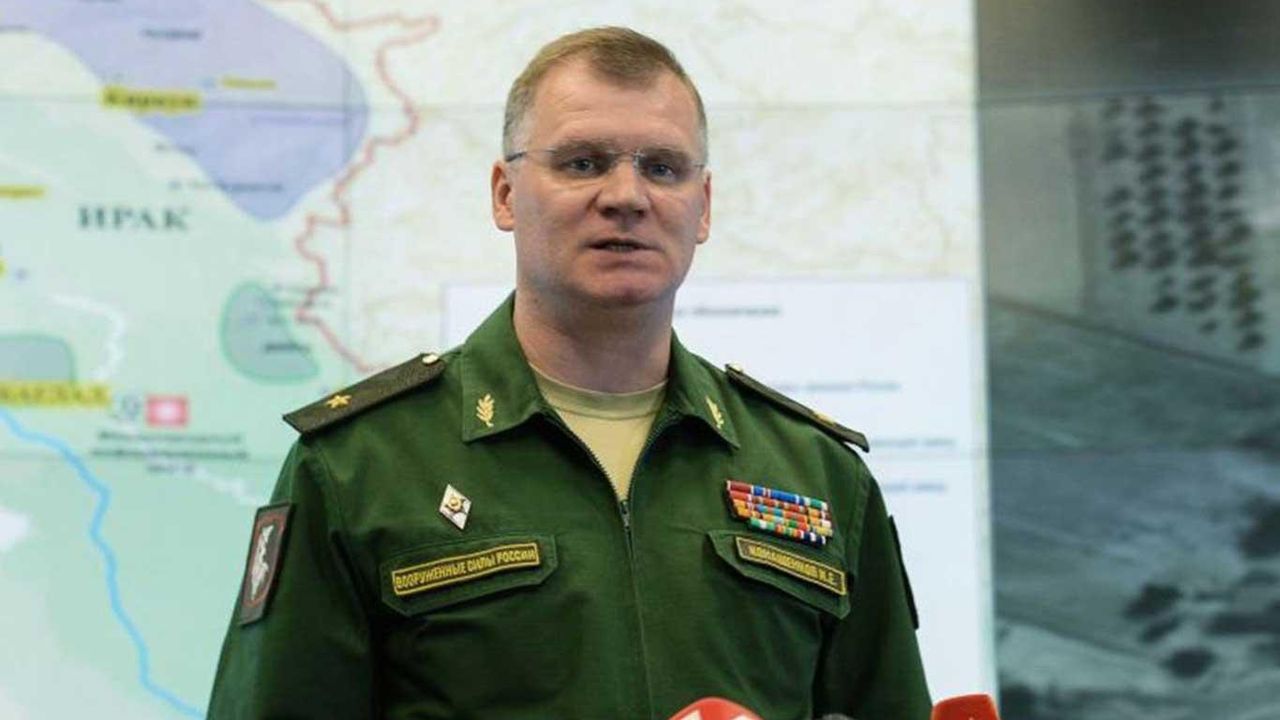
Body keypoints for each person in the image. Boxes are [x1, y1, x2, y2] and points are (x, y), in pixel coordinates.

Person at [208, 26, 931, 720]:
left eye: (663, 168)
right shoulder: (358, 466)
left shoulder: (817, 474)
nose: (627, 196)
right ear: (504, 194)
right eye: (583, 163)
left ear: (703, 207)